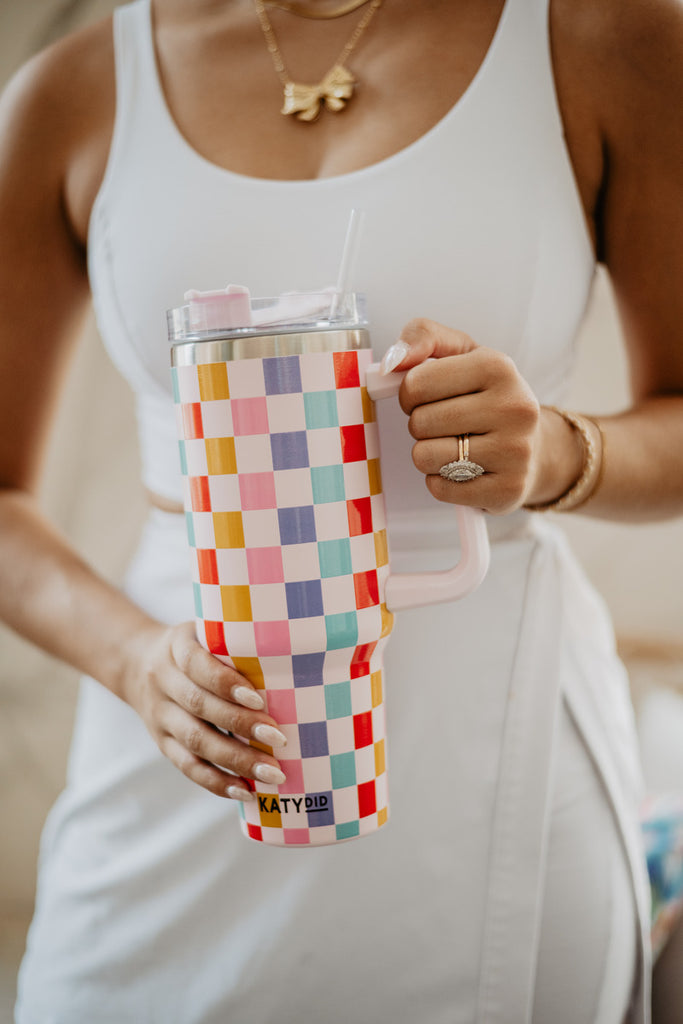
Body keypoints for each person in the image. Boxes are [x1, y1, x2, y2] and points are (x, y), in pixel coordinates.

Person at [2, 0, 683, 1020]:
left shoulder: (608, 39)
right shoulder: (70, 91)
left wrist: (553, 448)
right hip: (194, 713)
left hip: (488, 737)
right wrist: (139, 664)